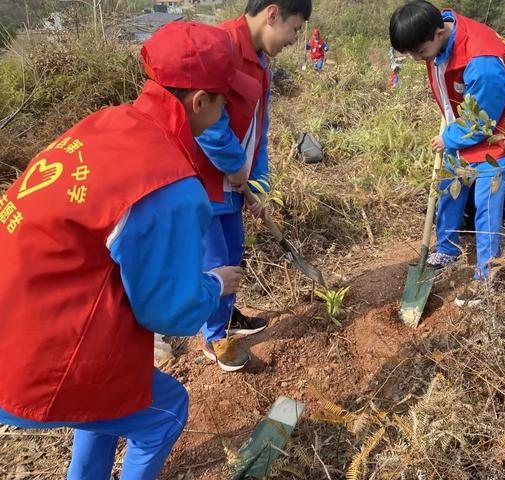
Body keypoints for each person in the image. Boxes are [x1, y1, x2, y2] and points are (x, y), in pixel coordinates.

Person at [0, 22, 259, 479]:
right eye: (223, 103)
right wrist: (214, 283)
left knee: (107, 403)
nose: (224, 115)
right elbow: (168, 312)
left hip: (22, 315)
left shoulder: (107, 123)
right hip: (32, 359)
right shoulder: (167, 186)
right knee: (168, 411)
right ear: (200, 103)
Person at [197, 0, 312, 372]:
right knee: (215, 262)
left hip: (236, 185)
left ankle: (227, 318)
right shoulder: (221, 50)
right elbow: (209, 127)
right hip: (205, 185)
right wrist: (234, 166)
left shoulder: (261, 63)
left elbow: (257, 131)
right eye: (294, 28)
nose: (295, 38)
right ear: (272, 14)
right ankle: (214, 338)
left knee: (232, 255)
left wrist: (257, 183)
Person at [389, 0, 505, 307]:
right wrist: (452, 130)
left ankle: (486, 275)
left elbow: (484, 120)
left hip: (495, 138)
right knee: (448, 191)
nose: (416, 59)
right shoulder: (438, 39)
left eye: (419, 53)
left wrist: (448, 136)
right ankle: (447, 249)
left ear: (440, 33)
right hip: (459, 132)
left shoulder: (483, 60)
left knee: (485, 205)